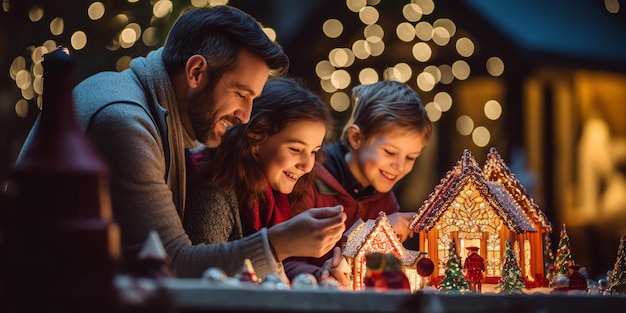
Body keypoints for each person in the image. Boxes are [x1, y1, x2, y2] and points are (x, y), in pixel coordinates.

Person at [17, 6, 345, 278]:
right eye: (240, 94)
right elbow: (171, 264)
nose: (245, 115)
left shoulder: (152, 110)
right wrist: (277, 243)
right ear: (196, 72)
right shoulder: (125, 122)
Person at [184, 77, 346, 280]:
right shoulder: (215, 196)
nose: (307, 165)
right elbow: (205, 279)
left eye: (314, 151)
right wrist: (280, 245)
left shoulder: (273, 200)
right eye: (296, 149)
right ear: (255, 140)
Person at [285, 80, 432, 284]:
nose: (399, 166)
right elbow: (284, 261)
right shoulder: (309, 181)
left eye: (410, 157)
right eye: (390, 152)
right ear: (356, 138)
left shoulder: (386, 202)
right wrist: (374, 231)